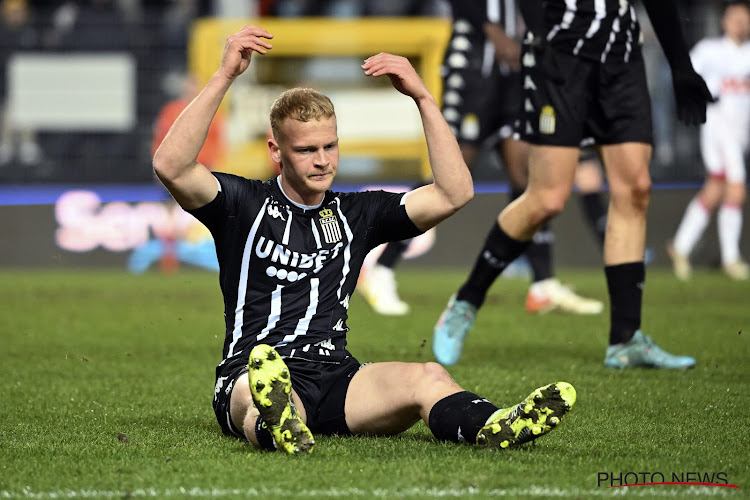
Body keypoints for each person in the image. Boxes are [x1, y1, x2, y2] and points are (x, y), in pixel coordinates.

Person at [152, 25, 577, 454]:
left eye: (330, 147)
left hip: (337, 376)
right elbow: (171, 165)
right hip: (252, 368)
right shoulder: (242, 204)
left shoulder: (357, 213)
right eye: (306, 150)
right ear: (276, 152)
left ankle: (495, 424)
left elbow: (454, 193)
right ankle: (280, 422)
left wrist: (424, 98)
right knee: (256, 394)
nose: (322, 161)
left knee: (428, 376)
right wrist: (224, 76)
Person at [433, 0, 713, 369]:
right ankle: (466, 301)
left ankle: (625, 339)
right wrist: (542, 39)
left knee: (636, 188)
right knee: (547, 199)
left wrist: (681, 65)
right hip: (560, 53)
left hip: (621, 57)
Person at [358, 0, 605, 317]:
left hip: (513, 69)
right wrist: (494, 32)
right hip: (474, 65)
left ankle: (543, 283)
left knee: (525, 175)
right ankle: (382, 269)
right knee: (449, 174)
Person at [668, 0, 750, 282]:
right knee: (736, 189)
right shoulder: (709, 50)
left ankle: (680, 246)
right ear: (724, 21)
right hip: (718, 129)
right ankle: (731, 258)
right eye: (735, 17)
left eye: (745, 17)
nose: (740, 22)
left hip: (739, 134)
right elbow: (684, 74)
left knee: (715, 189)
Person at [128, 73, 226, 274]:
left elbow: (218, 142)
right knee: (173, 215)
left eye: (194, 85)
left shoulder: (213, 112)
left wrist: (214, 168)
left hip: (202, 170)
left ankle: (213, 259)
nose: (191, 89)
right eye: (188, 86)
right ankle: (170, 260)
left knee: (205, 216)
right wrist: (160, 166)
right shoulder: (171, 111)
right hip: (176, 171)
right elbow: (160, 140)